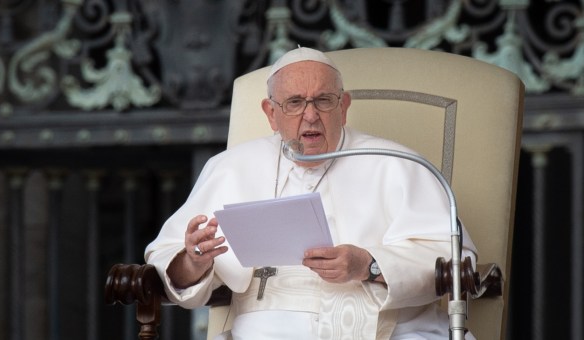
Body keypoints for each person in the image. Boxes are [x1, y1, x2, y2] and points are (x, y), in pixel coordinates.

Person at [145, 47, 478, 339]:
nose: (310, 115)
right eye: (294, 103)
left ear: (343, 106)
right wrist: (193, 260)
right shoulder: (230, 168)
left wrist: (370, 265)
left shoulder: (397, 163)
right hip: (262, 331)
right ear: (271, 114)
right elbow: (168, 261)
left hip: (383, 329)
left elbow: (458, 261)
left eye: (323, 100)